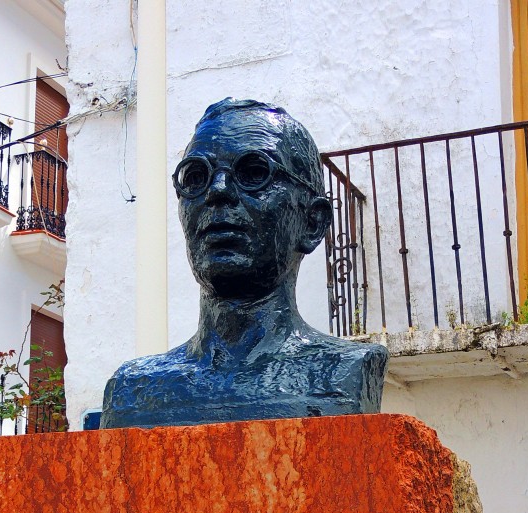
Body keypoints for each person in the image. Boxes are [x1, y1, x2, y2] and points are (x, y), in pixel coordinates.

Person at [99, 98, 387, 428]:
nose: (217, 191)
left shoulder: (342, 371)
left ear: (313, 223)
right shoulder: (133, 388)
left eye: (253, 173)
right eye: (196, 177)